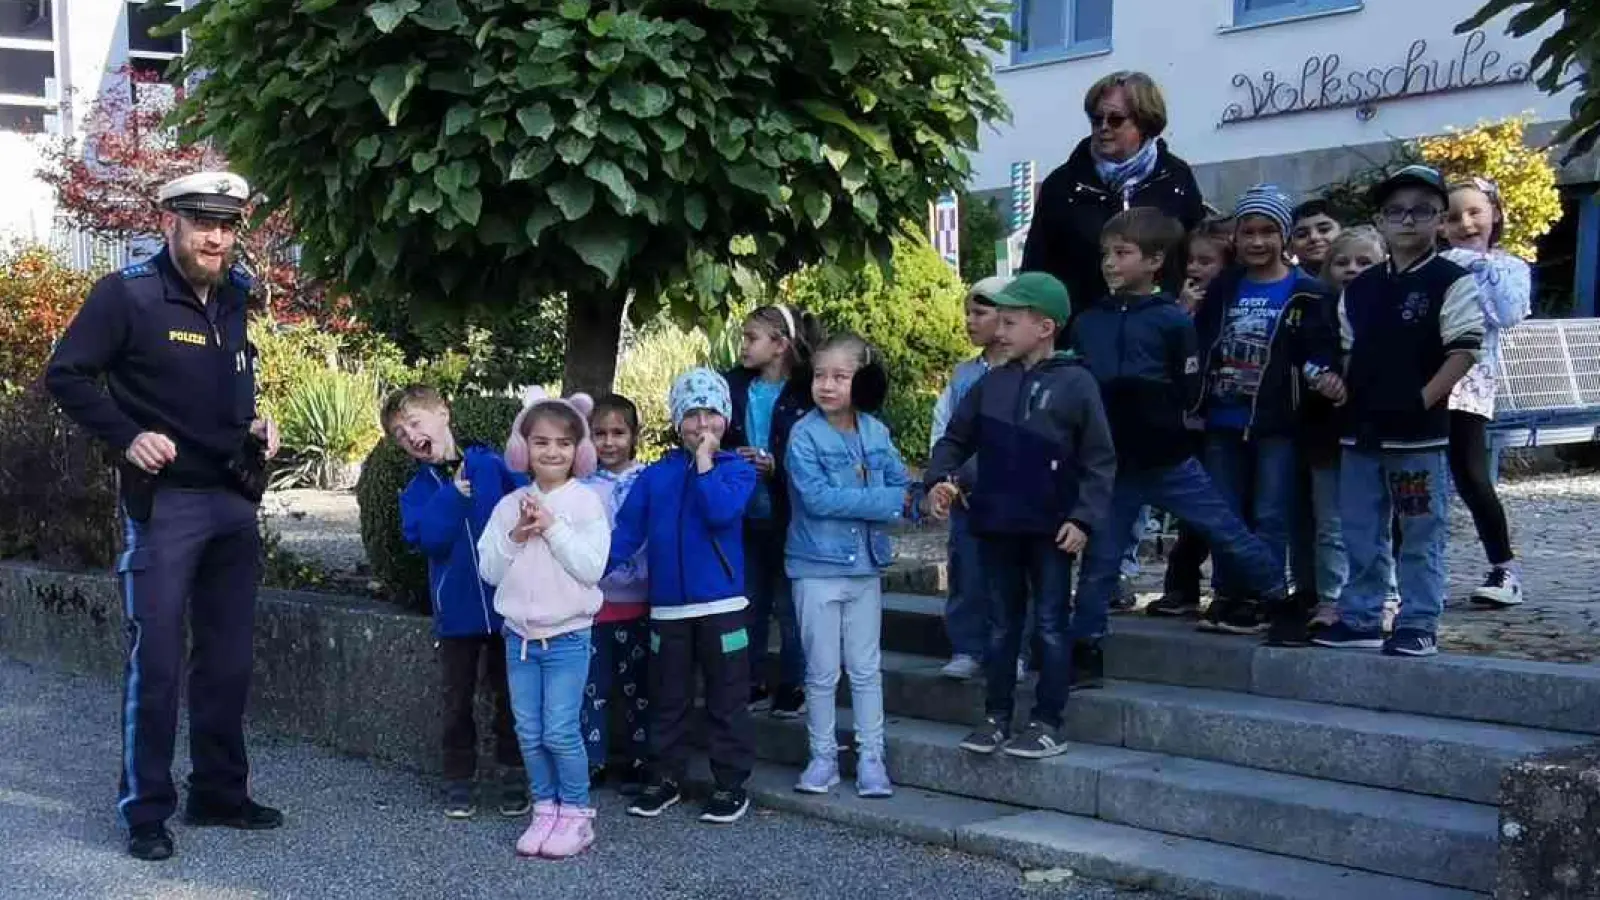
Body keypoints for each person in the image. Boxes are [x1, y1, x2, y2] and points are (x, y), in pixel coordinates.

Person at [45, 171, 282, 862]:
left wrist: (255, 424)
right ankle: (145, 809)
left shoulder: (236, 293)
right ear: (171, 223)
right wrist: (126, 435)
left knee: (229, 661)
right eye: (202, 223)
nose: (216, 237)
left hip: (233, 500)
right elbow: (67, 374)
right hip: (166, 504)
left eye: (228, 225)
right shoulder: (128, 295)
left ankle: (219, 792)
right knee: (158, 666)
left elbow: (226, 376)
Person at [1070, 207, 1302, 657]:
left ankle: (1279, 598)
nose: (1110, 263)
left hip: (1169, 459)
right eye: (1106, 254)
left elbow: (1191, 385)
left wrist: (1169, 420)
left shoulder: (1171, 320)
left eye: (1123, 253)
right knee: (1101, 560)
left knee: (1227, 531)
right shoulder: (1088, 321)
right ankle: (1085, 644)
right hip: (1113, 464)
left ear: (1155, 261)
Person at [925, 272, 1117, 758]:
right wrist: (940, 477)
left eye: (1010, 322)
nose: (1001, 332)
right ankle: (996, 717)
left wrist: (1083, 519)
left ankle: (1048, 720)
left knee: (1051, 624)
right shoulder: (992, 384)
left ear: (1046, 327)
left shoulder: (1077, 384)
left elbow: (1100, 461)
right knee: (1000, 625)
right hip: (995, 526)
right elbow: (954, 438)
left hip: (1052, 530)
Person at [1315, 165, 1486, 658]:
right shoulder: (1362, 287)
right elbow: (1349, 350)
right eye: (1396, 211)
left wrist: (1421, 400)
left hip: (1418, 435)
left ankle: (1418, 620)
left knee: (1420, 530)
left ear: (1439, 219)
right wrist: (1338, 386)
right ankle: (1363, 616)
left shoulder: (1451, 281)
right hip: (1361, 434)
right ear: (1381, 220)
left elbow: (1463, 351)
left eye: (1421, 211)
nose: (1407, 221)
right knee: (1360, 530)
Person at [1192, 185, 1343, 635]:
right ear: (1235, 237)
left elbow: (1319, 349)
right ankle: (1227, 592)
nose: (1257, 242)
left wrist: (1322, 376)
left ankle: (1268, 593)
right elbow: (1200, 342)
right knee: (1224, 510)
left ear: (1283, 236)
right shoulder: (1224, 287)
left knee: (1272, 512)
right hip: (1222, 418)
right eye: (1248, 232)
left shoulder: (1307, 291)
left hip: (1277, 421)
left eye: (1268, 232)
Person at [610, 369, 759, 824]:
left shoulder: (737, 470)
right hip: (669, 608)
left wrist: (708, 462)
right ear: (677, 422)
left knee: (726, 699)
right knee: (668, 697)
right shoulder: (656, 477)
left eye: (711, 413)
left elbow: (718, 511)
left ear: (726, 419)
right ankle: (664, 777)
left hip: (723, 608)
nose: (701, 424)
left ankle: (730, 784)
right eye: (691, 415)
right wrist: (583, 573)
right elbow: (626, 535)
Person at [477, 389, 610, 859]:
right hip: (520, 639)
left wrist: (552, 527)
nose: (552, 452)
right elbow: (490, 569)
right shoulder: (508, 504)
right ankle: (545, 809)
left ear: (580, 450)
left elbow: (591, 567)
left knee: (559, 730)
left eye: (563, 443)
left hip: (569, 636)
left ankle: (576, 815)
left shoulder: (587, 504)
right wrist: (517, 534)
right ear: (523, 448)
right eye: (541, 442)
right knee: (528, 732)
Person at [387, 384, 529, 820]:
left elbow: (526, 500)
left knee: (511, 698)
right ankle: (458, 779)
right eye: (398, 434)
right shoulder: (416, 490)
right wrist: (453, 494)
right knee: (457, 700)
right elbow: (428, 538)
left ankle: (514, 774)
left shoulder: (490, 464)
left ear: (443, 414)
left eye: (414, 423)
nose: (409, 436)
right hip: (457, 615)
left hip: (507, 606)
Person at [785, 333, 918, 797]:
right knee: (821, 672)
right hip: (816, 566)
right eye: (820, 375)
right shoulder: (804, 434)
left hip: (865, 566)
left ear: (861, 381)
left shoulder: (876, 431)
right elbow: (817, 499)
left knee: (865, 668)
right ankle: (822, 758)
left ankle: (871, 758)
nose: (827, 385)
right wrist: (885, 501)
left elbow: (903, 484)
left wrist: (901, 500)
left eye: (840, 376)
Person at [1022, 70, 1205, 341]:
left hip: (1161, 339)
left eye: (1116, 119)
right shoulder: (1063, 184)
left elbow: (1199, 253)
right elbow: (1036, 270)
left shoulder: (1176, 177)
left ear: (1145, 122)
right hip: (1083, 339)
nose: (1103, 127)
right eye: (1096, 119)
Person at [723, 304, 822, 718]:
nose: (743, 346)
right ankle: (752, 680)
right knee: (749, 600)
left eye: (751, 338)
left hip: (788, 512)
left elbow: (816, 447)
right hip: (743, 513)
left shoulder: (804, 391)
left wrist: (775, 464)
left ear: (780, 345)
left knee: (788, 603)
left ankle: (793, 683)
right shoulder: (733, 386)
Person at [1442, 178, 1532, 608]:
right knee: (1413, 481)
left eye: (1474, 211)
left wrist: (1477, 264)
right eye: (1453, 215)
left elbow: (1509, 313)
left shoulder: (1510, 267)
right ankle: (1405, 574)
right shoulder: (1431, 264)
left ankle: (1504, 568)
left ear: (1495, 214)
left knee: (1471, 476)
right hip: (1421, 384)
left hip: (1469, 387)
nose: (1465, 222)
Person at [1302, 226, 1394, 631]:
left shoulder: (1389, 310)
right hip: (1328, 433)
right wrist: (1320, 374)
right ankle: (1332, 597)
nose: (1352, 269)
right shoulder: (1316, 312)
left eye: (1364, 262)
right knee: (1332, 524)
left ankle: (1384, 595)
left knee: (1376, 522)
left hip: (1377, 432)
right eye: (1342, 262)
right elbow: (1304, 356)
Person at [1149, 218, 1234, 618]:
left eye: (1206, 261)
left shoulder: (1232, 302)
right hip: (1191, 420)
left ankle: (1229, 588)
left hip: (1225, 418)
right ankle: (1181, 586)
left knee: (1220, 505)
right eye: (1190, 262)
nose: (1195, 270)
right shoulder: (1177, 309)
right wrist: (1184, 311)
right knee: (1189, 512)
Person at [929, 276, 1012, 681]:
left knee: (1010, 575)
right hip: (965, 496)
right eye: (967, 312)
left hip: (1012, 494)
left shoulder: (1024, 372)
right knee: (966, 570)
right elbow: (945, 430)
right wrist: (942, 478)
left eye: (980, 313)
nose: (969, 321)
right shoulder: (964, 375)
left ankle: (1008, 646)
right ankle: (967, 646)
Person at [579, 394, 651, 794]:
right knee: (593, 687)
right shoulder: (583, 487)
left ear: (634, 435)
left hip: (641, 601)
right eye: (600, 434)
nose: (609, 443)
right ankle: (593, 759)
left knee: (638, 687)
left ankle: (640, 756)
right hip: (596, 603)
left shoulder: (647, 480)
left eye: (618, 433)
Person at [1290, 199, 1344, 280]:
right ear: (1290, 247)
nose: (1314, 237)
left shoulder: (1364, 274)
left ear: (1344, 232)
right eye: (1302, 235)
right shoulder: (1286, 285)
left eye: (1324, 230)